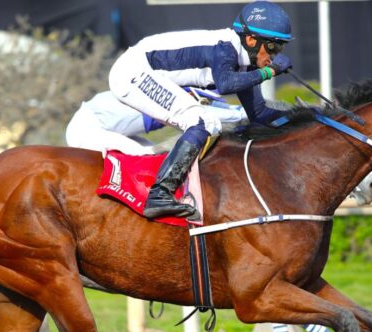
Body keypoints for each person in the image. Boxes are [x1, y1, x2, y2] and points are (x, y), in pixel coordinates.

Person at [108, 1, 294, 219]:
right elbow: (225, 84)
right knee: (203, 121)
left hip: (143, 71)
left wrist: (308, 119)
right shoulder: (225, 48)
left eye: (281, 47)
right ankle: (160, 194)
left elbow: (259, 114)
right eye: (273, 47)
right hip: (132, 72)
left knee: (207, 121)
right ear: (251, 40)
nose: (276, 55)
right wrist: (269, 72)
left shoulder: (247, 61)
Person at [66, 89, 247, 155]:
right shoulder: (167, 96)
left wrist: (242, 113)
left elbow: (217, 107)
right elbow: (206, 114)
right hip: (85, 131)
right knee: (145, 155)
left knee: (159, 157)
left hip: (101, 121)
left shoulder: (174, 87)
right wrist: (245, 114)